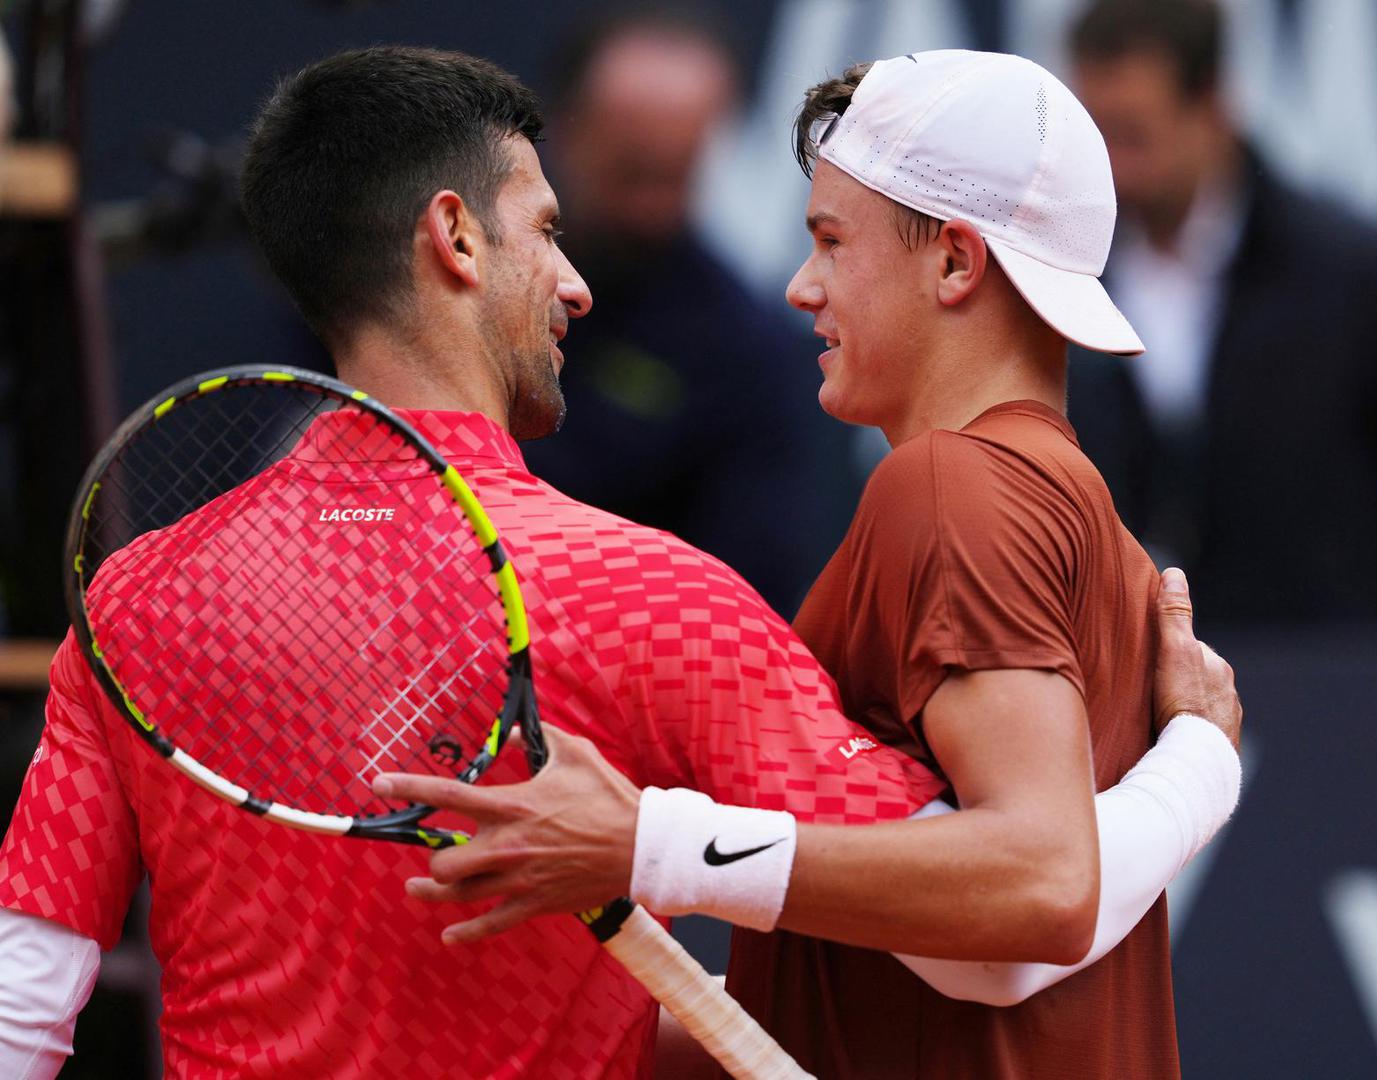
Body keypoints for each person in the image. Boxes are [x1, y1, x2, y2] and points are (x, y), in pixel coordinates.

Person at [0, 47, 1237, 1080]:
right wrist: (1201, 767)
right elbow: (1000, 939)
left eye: (830, 240)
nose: (582, 284)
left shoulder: (137, 601)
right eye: (548, 231)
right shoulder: (657, 601)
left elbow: (21, 1009)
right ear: (455, 241)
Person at [375, 51, 1242, 1078]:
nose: (800, 288)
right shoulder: (1078, 511)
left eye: (832, 242)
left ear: (957, 264)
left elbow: (1039, 889)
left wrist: (650, 846)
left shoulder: (949, 487)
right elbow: (896, 986)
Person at [1065, 0, 1377, 623]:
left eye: (1134, 136)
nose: (1112, 168)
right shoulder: (1057, 284)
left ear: (1213, 108)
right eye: (1094, 136)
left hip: (1342, 693)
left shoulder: (1360, 279)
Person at [521, 8, 856, 617]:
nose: (650, 209)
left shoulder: (750, 352)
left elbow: (749, 600)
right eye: (632, 172)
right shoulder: (453, 287)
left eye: (676, 176)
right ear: (564, 130)